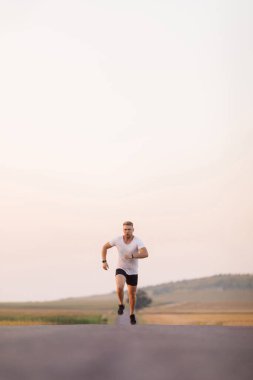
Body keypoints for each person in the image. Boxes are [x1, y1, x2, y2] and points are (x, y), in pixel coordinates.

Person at [101, 221, 149, 325]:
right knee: (119, 286)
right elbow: (104, 247)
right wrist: (104, 261)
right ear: (123, 230)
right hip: (121, 267)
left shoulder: (137, 241)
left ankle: (132, 314)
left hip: (133, 271)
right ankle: (121, 304)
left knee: (132, 294)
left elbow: (145, 253)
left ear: (133, 230)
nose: (127, 231)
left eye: (129, 229)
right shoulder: (117, 240)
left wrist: (132, 255)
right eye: (125, 229)